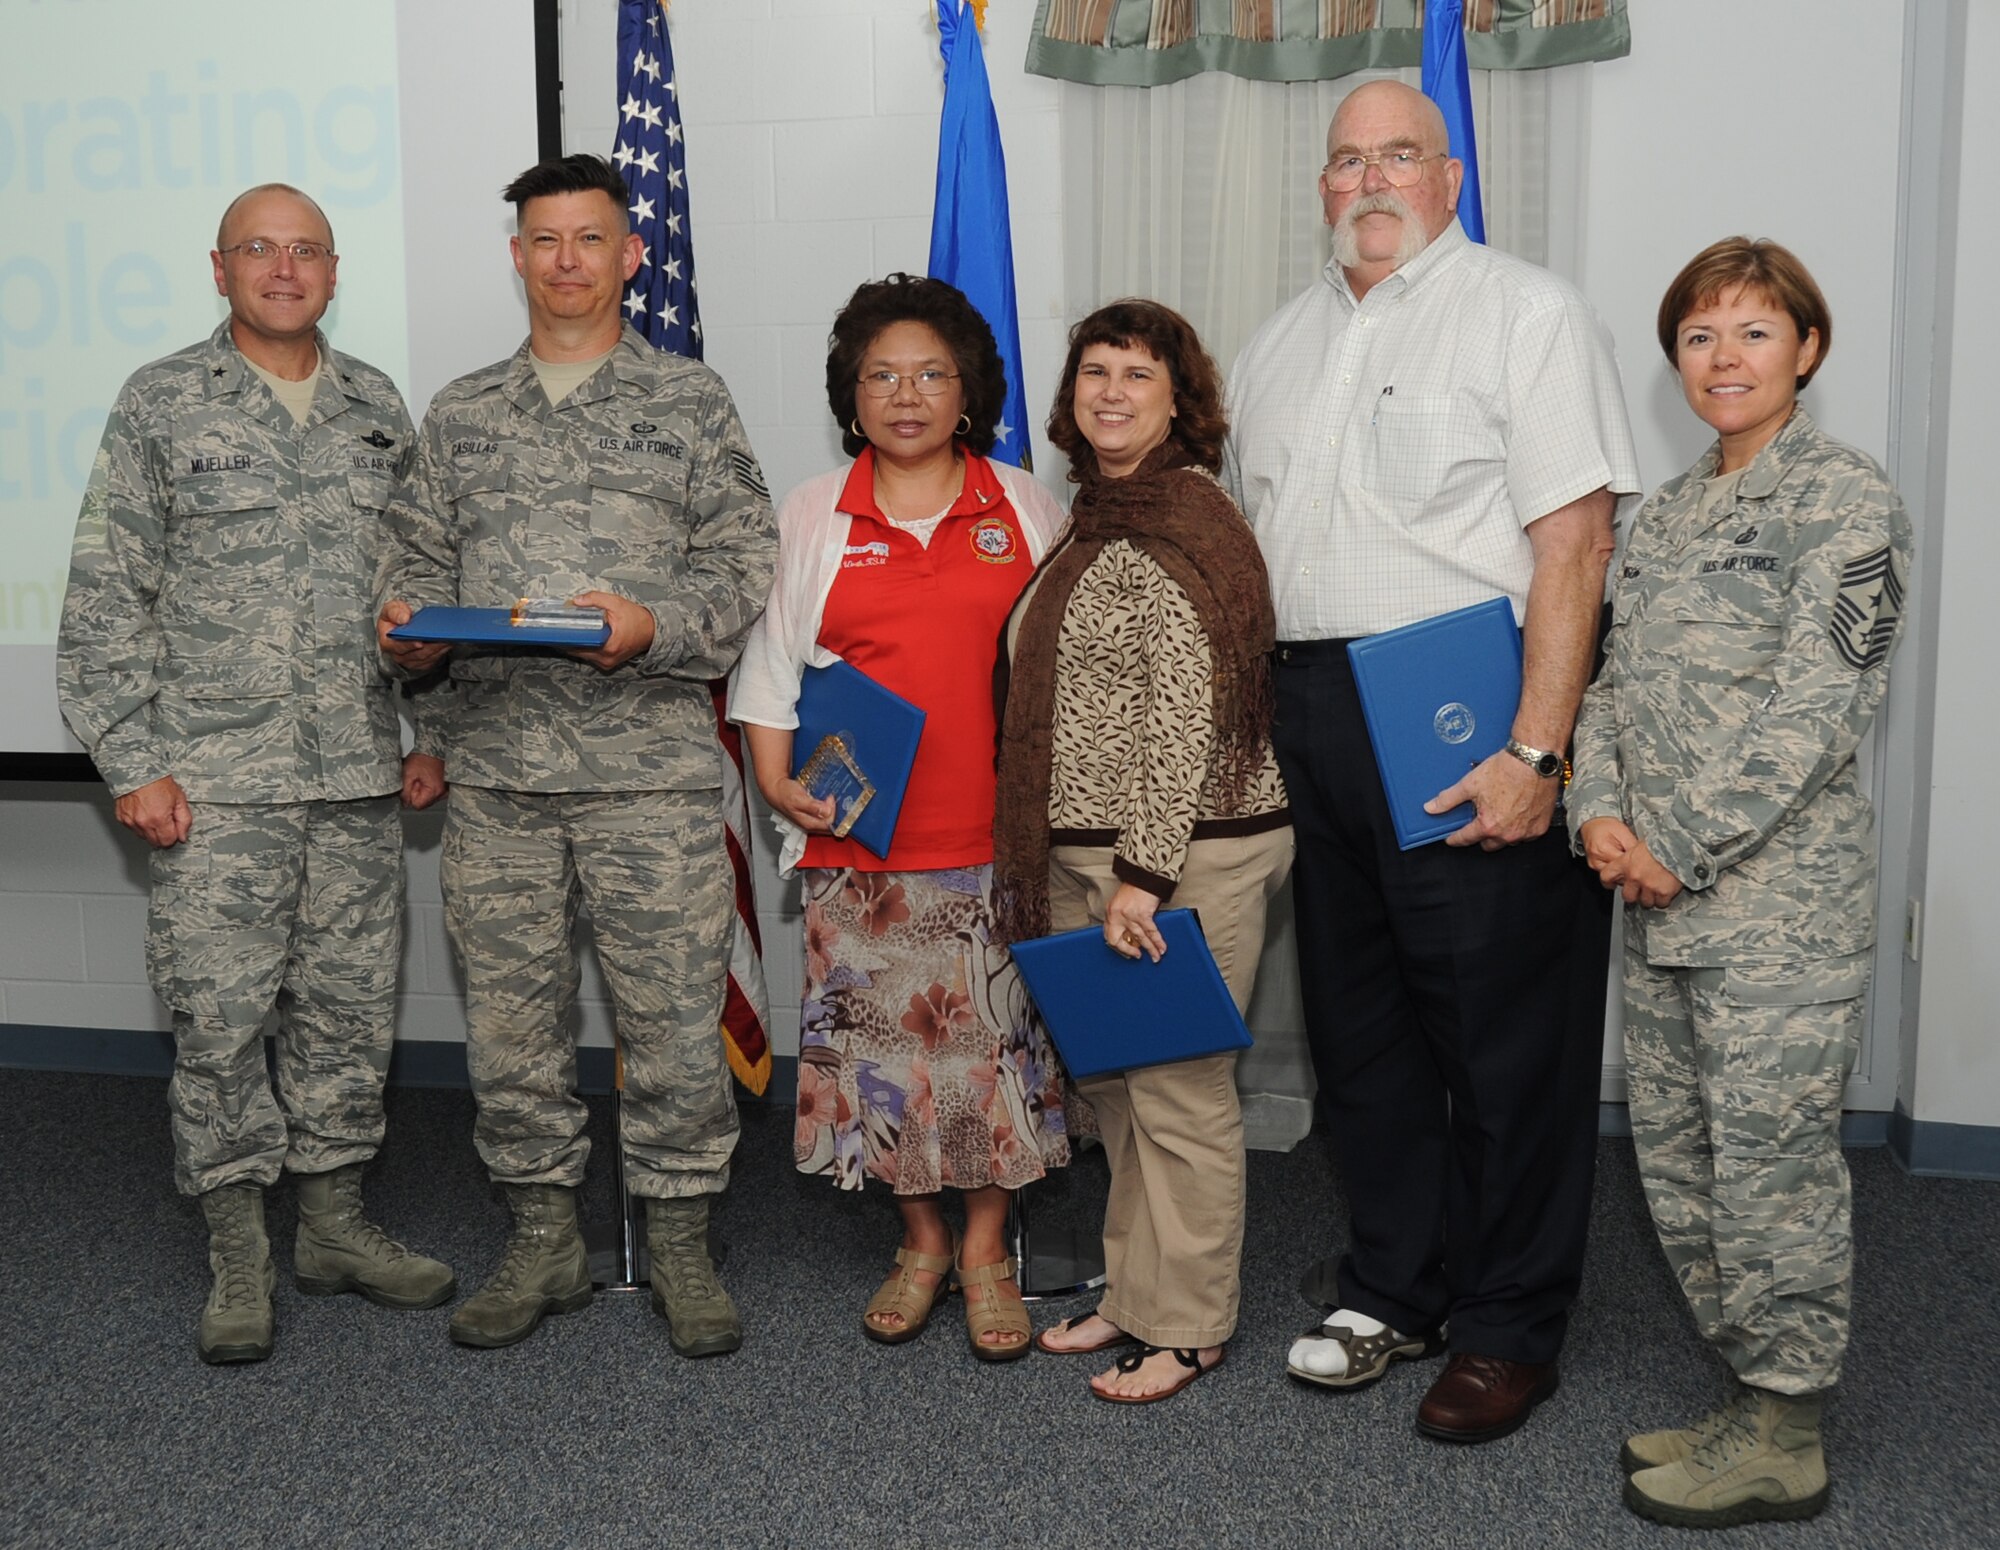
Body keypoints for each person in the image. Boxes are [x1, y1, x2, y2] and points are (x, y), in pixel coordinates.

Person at [1225, 79, 1641, 1440]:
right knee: (1363, 1028)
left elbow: (1574, 544)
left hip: (1465, 707)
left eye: (1397, 153)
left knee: (1505, 1037)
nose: (1367, 179)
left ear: (1448, 176)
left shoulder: (1527, 313)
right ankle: (1393, 1285)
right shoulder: (1279, 341)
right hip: (1314, 710)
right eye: (1345, 160)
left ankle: (1511, 1322)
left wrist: (1539, 746)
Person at [375, 154, 776, 1356]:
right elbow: (412, 565)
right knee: (511, 1028)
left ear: (628, 254)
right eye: (543, 240)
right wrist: (406, 639)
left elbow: (743, 562)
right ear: (516, 256)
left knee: (667, 1021)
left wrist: (660, 625)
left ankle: (679, 1243)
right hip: (498, 780)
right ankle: (543, 1238)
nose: (565, 261)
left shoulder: (692, 402)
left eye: (588, 239)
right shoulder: (459, 411)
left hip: (647, 774)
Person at [55, 184, 455, 1365]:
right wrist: (133, 759)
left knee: (347, 1017)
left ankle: (331, 1227)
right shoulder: (162, 401)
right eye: (258, 251)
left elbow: (414, 592)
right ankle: (240, 1252)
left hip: (353, 781)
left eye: (304, 252)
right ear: (219, 269)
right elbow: (104, 596)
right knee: (219, 1025)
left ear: (334, 270)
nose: (283, 269)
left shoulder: (377, 405)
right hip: (215, 786)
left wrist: (425, 727)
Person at [1569, 238, 1910, 1528]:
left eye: (1753, 333)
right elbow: (1609, 685)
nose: (1722, 357)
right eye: (1700, 335)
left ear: (1804, 351)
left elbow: (1818, 708)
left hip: (1772, 910)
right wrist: (1595, 812)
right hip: (1652, 903)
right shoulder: (1659, 513)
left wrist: (1678, 842)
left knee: (1770, 1170)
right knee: (1682, 1161)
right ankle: (1750, 1389)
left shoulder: (1842, 502)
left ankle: (1786, 1429)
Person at [730, 274, 1070, 1360]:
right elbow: (771, 667)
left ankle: (984, 1247)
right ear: (852, 394)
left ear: (966, 392)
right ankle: (917, 1238)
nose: (906, 394)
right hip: (863, 850)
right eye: (881, 375)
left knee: (989, 1063)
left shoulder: (1023, 503)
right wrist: (775, 778)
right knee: (882, 1064)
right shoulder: (813, 510)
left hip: (996, 848)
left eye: (930, 374)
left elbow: (1068, 668)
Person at [995, 300, 1292, 1403]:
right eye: (1093, 372)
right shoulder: (1095, 516)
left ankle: (1191, 1323)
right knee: (1118, 1093)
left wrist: (1143, 875)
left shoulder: (1189, 517)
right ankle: (1133, 1290)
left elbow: (1188, 712)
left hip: (1182, 856)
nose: (1111, 390)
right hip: (1090, 854)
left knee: (1176, 1092)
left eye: (1137, 373)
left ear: (1181, 399)